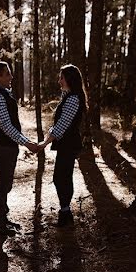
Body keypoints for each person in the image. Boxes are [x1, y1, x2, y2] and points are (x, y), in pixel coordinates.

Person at [0, 61, 40, 236]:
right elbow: (6, 127)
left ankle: (2, 218)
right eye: (7, 74)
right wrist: (27, 143)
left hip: (8, 146)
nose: (11, 77)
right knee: (4, 184)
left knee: (6, 183)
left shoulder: (3, 94)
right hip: (3, 147)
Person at [38, 64, 87, 227]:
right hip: (66, 144)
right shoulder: (68, 96)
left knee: (61, 178)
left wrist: (45, 143)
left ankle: (65, 213)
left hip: (69, 144)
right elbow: (59, 123)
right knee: (62, 177)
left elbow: (62, 126)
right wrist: (47, 138)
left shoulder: (73, 98)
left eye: (62, 77)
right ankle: (65, 212)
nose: (59, 80)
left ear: (69, 79)